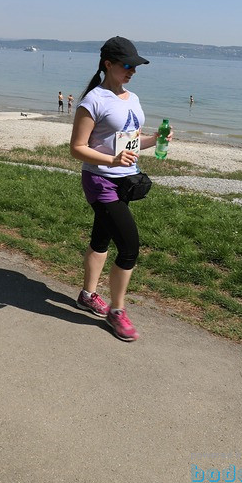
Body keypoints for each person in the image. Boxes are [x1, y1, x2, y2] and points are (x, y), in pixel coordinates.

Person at [68, 36, 171, 342]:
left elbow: (129, 141)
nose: (132, 71)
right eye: (127, 65)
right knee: (129, 247)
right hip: (100, 180)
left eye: (135, 67)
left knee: (101, 238)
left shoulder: (133, 99)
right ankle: (117, 311)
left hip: (126, 179)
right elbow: (77, 148)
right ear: (108, 64)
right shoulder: (93, 101)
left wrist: (154, 140)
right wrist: (112, 160)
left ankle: (87, 295)